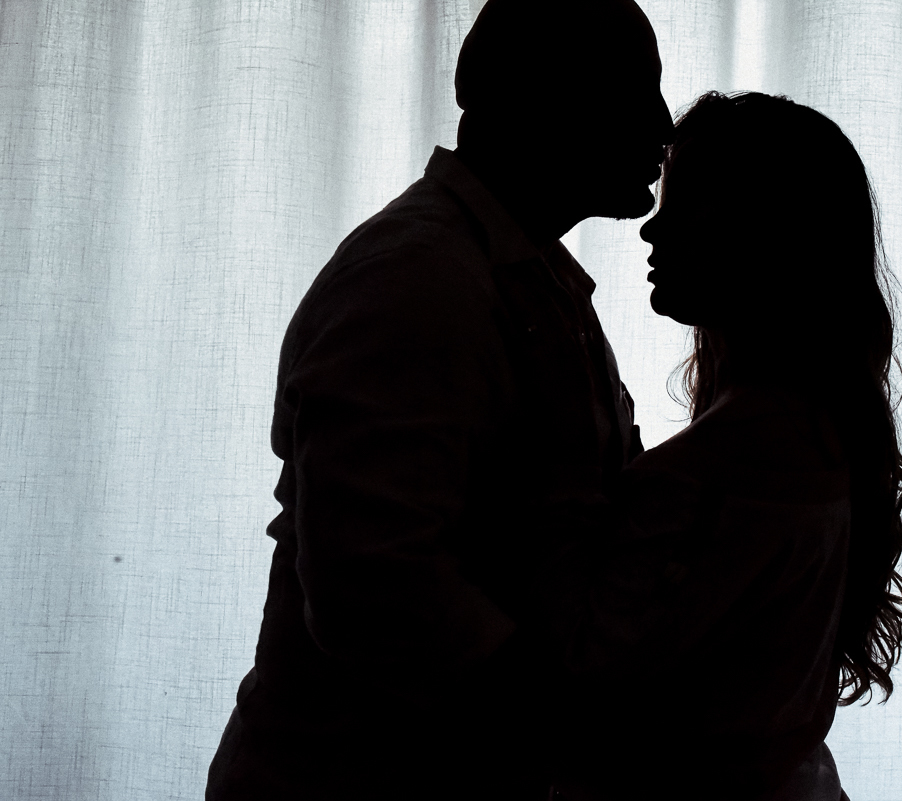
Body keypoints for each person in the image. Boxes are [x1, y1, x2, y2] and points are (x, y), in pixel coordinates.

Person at [205, 1, 673, 798]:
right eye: (632, 91)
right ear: (541, 102)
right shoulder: (418, 280)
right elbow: (374, 587)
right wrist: (576, 719)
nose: (662, 126)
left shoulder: (519, 275)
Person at [533, 92, 902, 801]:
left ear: (763, 230)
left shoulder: (730, 465)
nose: (652, 228)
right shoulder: (816, 428)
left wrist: (564, 452)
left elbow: (576, 674)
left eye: (686, 203)